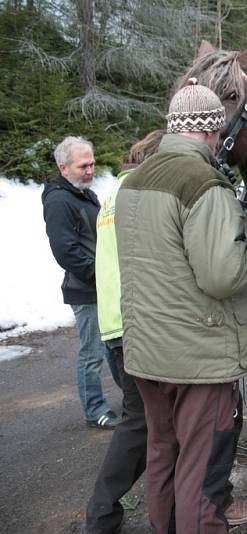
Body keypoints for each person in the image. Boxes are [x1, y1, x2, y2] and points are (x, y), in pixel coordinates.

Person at [114, 79, 247, 533]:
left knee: (164, 456)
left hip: (147, 353)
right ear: (212, 131)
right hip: (198, 359)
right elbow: (222, 274)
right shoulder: (205, 183)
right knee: (202, 477)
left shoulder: (134, 180)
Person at [85, 130, 247, 533]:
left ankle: (132, 515)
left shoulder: (121, 193)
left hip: (130, 328)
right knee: (190, 450)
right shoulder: (177, 188)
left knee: (159, 440)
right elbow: (209, 271)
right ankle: (105, 511)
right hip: (163, 333)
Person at [42, 136, 121, 429]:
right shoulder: (59, 200)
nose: (90, 170)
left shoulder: (83, 194)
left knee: (115, 345)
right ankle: (94, 409)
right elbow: (65, 250)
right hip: (86, 288)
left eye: (92, 164)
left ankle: (133, 400)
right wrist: (99, 274)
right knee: (93, 352)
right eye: (83, 166)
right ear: (64, 168)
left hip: (104, 286)